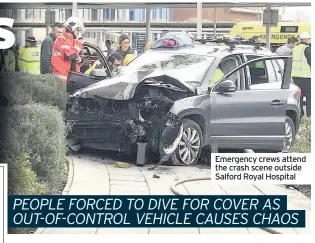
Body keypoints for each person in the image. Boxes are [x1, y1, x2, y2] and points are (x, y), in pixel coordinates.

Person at [51, 16, 85, 82]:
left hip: (70, 79)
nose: (78, 32)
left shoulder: (72, 41)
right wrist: (78, 46)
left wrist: (80, 60)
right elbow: (68, 56)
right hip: (61, 80)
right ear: (71, 28)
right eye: (77, 30)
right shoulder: (61, 40)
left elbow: (75, 57)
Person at [292, 32, 311, 117]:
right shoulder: (307, 48)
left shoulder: (294, 48)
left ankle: (300, 115)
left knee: (299, 97)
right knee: (309, 97)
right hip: (306, 76)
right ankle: (309, 114)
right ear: (307, 40)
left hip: (295, 76)